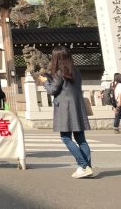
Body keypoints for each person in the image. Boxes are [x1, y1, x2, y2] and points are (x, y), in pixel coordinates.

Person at [38, 45, 93, 179]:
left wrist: (44, 82)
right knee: (81, 139)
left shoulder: (60, 72)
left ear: (57, 58)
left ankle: (83, 166)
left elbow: (52, 90)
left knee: (66, 137)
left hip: (65, 108)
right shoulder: (76, 71)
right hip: (77, 107)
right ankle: (87, 167)